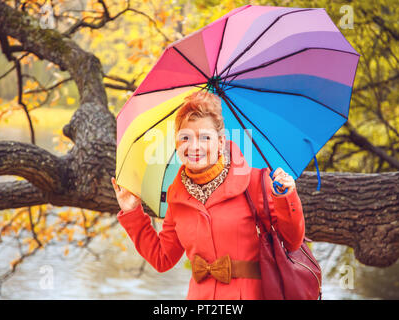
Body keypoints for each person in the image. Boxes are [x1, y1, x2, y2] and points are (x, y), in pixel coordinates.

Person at [111, 90, 305, 300]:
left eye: (204, 137)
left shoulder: (255, 180)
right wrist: (132, 212)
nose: (194, 146)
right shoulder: (177, 198)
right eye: (185, 137)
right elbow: (162, 258)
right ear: (177, 143)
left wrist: (286, 197)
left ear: (220, 142)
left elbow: (292, 242)